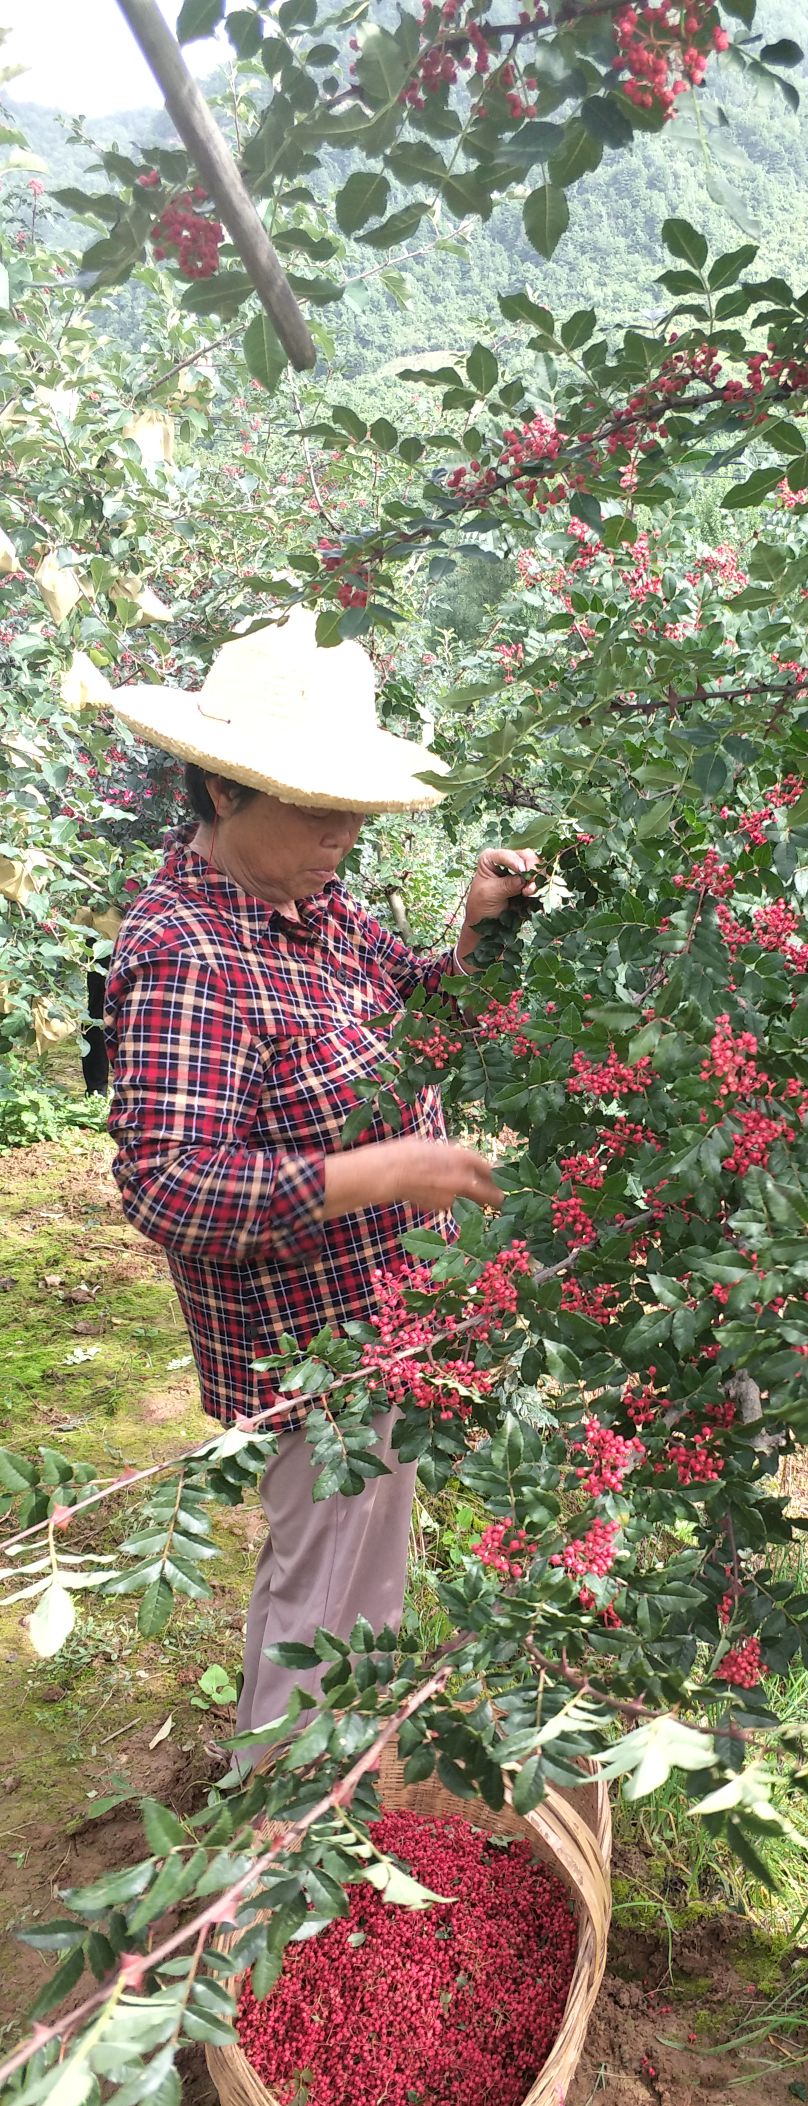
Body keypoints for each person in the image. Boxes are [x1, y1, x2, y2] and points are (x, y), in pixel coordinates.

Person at [102, 609, 539, 1752]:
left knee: (355, 1579)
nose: (346, 829)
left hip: (381, 1319)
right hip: (306, 1344)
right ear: (220, 793)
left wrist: (478, 932)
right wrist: (382, 1172)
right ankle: (276, 1862)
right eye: (317, 804)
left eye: (353, 804)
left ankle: (323, 1806)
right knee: (327, 1596)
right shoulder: (185, 952)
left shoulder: (315, 909)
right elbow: (169, 1188)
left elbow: (422, 1018)